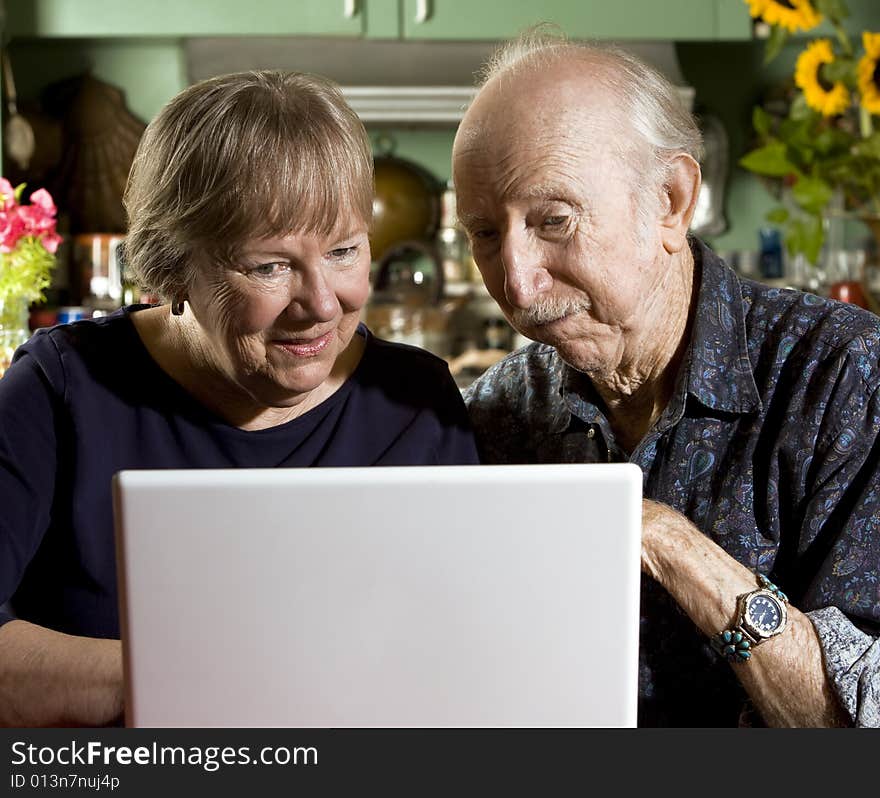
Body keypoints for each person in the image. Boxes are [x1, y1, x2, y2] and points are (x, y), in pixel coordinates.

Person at [0, 70, 478, 727]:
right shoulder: (58, 391)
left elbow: (459, 657)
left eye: (343, 251)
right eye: (269, 266)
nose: (320, 304)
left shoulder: (415, 402)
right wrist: (213, 686)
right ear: (173, 267)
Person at [453, 34, 880, 727]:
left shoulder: (848, 382)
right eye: (483, 235)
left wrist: (664, 540)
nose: (518, 285)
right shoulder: (491, 416)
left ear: (672, 203)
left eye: (553, 221)